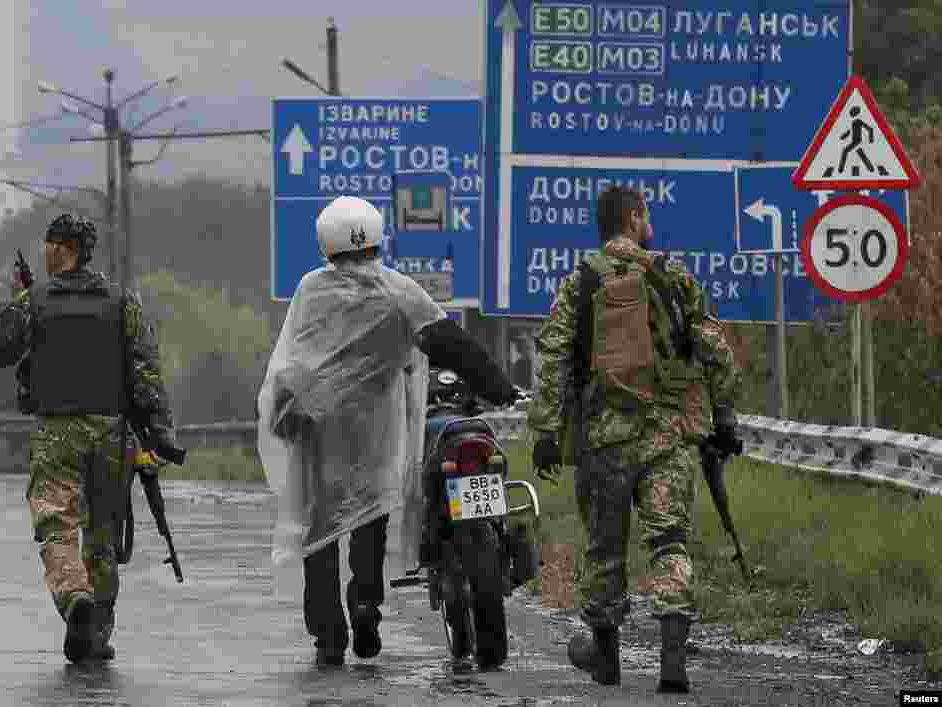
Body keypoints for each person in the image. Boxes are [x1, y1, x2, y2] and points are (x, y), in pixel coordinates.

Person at [256, 196, 518, 668]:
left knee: (319, 529)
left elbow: (293, 357)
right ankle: (365, 604)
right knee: (369, 516)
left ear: (326, 242)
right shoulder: (399, 290)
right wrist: (498, 387)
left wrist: (285, 415)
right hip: (375, 426)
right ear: (377, 238)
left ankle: (328, 636)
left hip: (318, 425)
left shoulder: (311, 289)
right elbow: (447, 341)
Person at [526, 186, 741, 693]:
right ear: (636, 217)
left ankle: (605, 657)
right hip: (669, 438)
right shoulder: (672, 273)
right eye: (646, 215)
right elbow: (715, 348)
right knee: (669, 540)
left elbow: (554, 358)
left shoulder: (580, 281)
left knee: (604, 548)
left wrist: (547, 432)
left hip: (605, 441)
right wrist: (724, 417)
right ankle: (672, 660)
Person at [0, 214, 177, 664]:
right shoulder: (122, 300)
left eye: (49, 245)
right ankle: (98, 633)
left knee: (57, 525)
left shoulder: (37, 300)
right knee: (103, 536)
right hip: (111, 433)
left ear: (59, 249)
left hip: (58, 435)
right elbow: (147, 373)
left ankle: (75, 599)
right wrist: (162, 438)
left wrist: (19, 302)